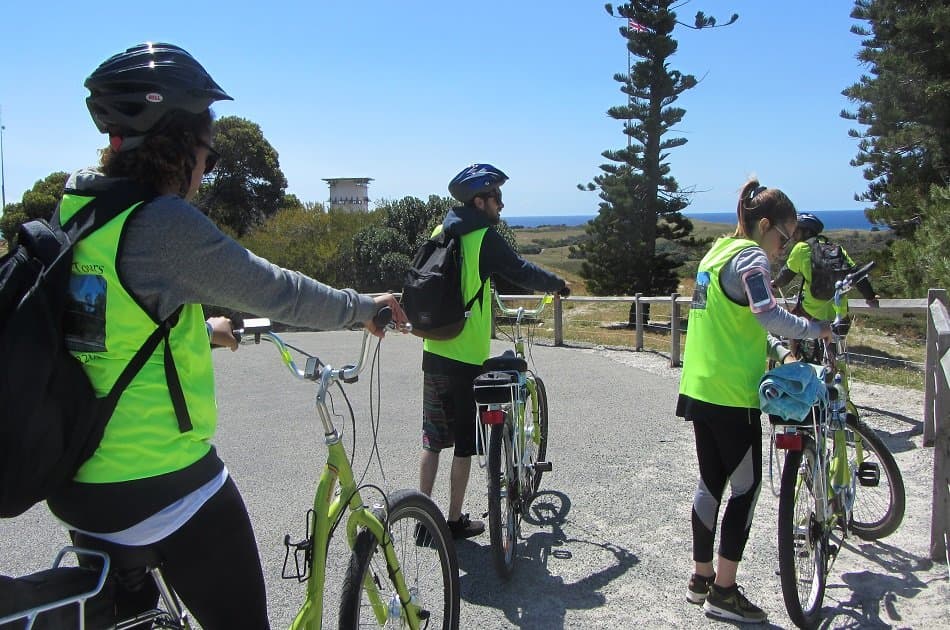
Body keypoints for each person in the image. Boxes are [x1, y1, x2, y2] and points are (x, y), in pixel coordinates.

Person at [45, 43, 406, 629]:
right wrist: (362, 307)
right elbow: (277, 291)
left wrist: (201, 330)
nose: (204, 173)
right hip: (160, 485)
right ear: (179, 145)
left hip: (78, 484)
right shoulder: (161, 223)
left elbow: (102, 319)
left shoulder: (78, 208)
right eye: (206, 157)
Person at [676, 179, 832, 623]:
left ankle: (700, 577)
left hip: (698, 388)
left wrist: (779, 351)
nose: (784, 248)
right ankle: (724, 593)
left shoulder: (716, 253)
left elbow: (735, 320)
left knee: (710, 483)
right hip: (733, 395)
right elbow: (766, 312)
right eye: (784, 237)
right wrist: (816, 329)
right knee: (746, 488)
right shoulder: (750, 257)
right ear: (765, 225)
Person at [419, 164, 570, 539]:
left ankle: (420, 520)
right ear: (479, 200)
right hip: (465, 355)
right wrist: (558, 284)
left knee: (432, 439)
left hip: (433, 345)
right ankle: (453, 522)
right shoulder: (481, 236)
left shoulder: (440, 231)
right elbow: (519, 270)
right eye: (496, 197)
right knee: (465, 445)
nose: (501, 205)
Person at [772, 212, 879, 358]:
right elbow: (857, 274)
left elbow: (785, 275)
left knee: (793, 325)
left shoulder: (801, 248)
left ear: (805, 231)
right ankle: (834, 366)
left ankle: (794, 361)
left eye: (796, 230)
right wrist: (870, 297)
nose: (793, 235)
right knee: (835, 353)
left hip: (812, 313)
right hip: (839, 314)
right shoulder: (837, 249)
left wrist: (774, 285)